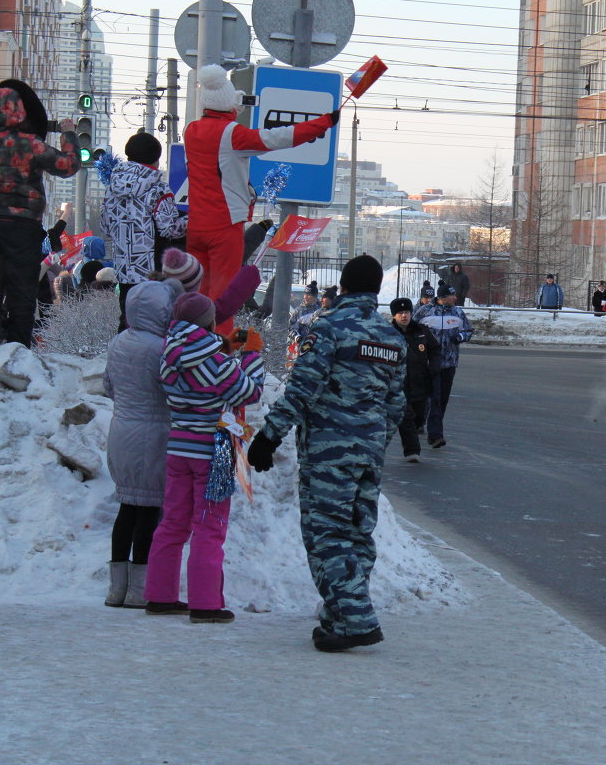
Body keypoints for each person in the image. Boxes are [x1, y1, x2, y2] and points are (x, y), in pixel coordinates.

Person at [247, 255, 407, 652]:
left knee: (326, 535)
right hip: (368, 454)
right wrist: (374, 444)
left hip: (328, 453)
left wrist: (269, 437)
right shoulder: (392, 338)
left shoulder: (330, 327)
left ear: (345, 286)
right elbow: (397, 404)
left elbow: (303, 388)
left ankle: (356, 620)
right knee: (356, 534)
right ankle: (339, 617)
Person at [184, 64, 337, 334]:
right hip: (224, 225)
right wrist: (322, 123)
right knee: (223, 299)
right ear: (227, 103)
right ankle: (217, 353)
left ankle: (190, 343)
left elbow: (219, 126)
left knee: (198, 294)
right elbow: (279, 137)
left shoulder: (192, 130)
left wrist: (231, 106)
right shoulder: (233, 135)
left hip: (196, 225)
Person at [145, 293, 264, 623]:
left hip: (179, 447)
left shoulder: (170, 353)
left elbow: (204, 364)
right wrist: (252, 355)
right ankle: (205, 602)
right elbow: (249, 391)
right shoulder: (216, 362)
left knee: (173, 523)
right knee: (209, 527)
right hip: (215, 450)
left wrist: (226, 346)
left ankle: (160, 595)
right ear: (209, 323)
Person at [103, 278, 182, 609]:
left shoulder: (117, 343)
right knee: (149, 510)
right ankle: (139, 589)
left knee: (126, 509)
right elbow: (173, 391)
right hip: (153, 435)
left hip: (120, 431)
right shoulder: (161, 348)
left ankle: (115, 589)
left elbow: (108, 387)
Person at [0, 80, 79, 350]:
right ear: (21, 110)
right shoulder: (31, 144)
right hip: (24, 226)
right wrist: (68, 134)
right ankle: (16, 353)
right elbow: (68, 165)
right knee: (22, 292)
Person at [101, 131, 187, 331]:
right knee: (152, 324)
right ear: (156, 159)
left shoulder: (112, 188)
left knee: (127, 319)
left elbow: (106, 227)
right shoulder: (158, 189)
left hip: (123, 270)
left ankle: (121, 357)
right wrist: (192, 220)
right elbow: (169, 229)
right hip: (153, 271)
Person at [413, 284, 472, 448]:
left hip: (449, 363)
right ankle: (435, 434)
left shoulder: (458, 313)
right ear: (443, 297)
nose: (455, 298)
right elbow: (412, 329)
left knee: (442, 400)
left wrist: (460, 336)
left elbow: (468, 330)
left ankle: (427, 425)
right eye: (452, 296)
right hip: (430, 363)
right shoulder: (426, 311)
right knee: (435, 398)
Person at [389, 296, 440, 462]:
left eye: (407, 312)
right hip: (399, 384)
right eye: (400, 313)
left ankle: (418, 428)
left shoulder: (422, 331)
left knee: (418, 417)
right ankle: (412, 451)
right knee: (406, 417)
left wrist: (434, 367)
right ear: (394, 316)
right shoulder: (388, 334)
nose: (404, 316)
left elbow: (435, 350)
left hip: (420, 382)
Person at [289, 281, 320, 353]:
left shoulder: (321, 309)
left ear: (314, 297)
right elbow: (291, 327)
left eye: (309, 295)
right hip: (303, 347)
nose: (306, 297)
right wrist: (297, 337)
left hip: (318, 347)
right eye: (305, 294)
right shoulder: (299, 310)